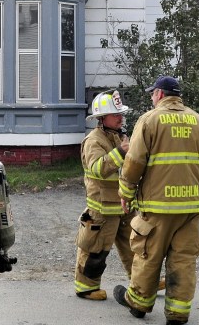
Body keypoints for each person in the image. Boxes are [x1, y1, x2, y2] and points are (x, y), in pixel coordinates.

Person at [114, 76, 199, 325]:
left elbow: (135, 161)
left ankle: (138, 305)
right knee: (183, 261)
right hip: (190, 210)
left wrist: (125, 193)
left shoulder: (149, 120)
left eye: (153, 94)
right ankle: (177, 313)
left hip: (157, 207)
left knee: (147, 256)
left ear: (160, 95)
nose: (152, 98)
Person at [74, 90, 134, 300]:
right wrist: (121, 152)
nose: (120, 117)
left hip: (122, 203)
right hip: (102, 207)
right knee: (96, 248)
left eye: (121, 114)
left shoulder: (118, 136)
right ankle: (86, 287)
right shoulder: (94, 140)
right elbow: (97, 169)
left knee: (133, 245)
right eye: (115, 114)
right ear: (102, 118)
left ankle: (141, 283)